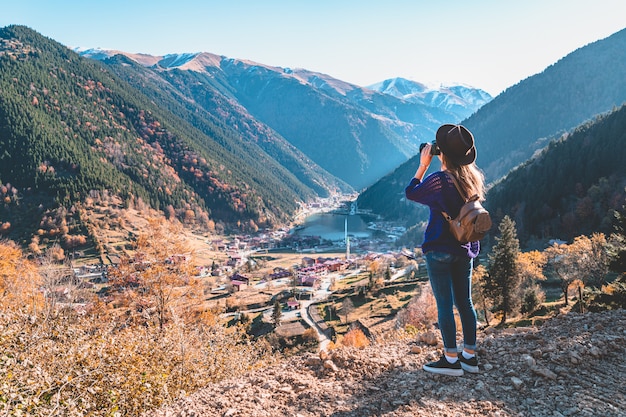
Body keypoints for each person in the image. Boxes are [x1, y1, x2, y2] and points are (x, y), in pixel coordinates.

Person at [404, 124, 486, 376]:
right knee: (465, 302)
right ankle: (469, 357)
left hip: (439, 247)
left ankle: (450, 359)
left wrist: (423, 164)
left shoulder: (440, 180)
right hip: (465, 247)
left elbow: (412, 193)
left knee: (444, 304)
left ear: (444, 155)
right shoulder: (473, 179)